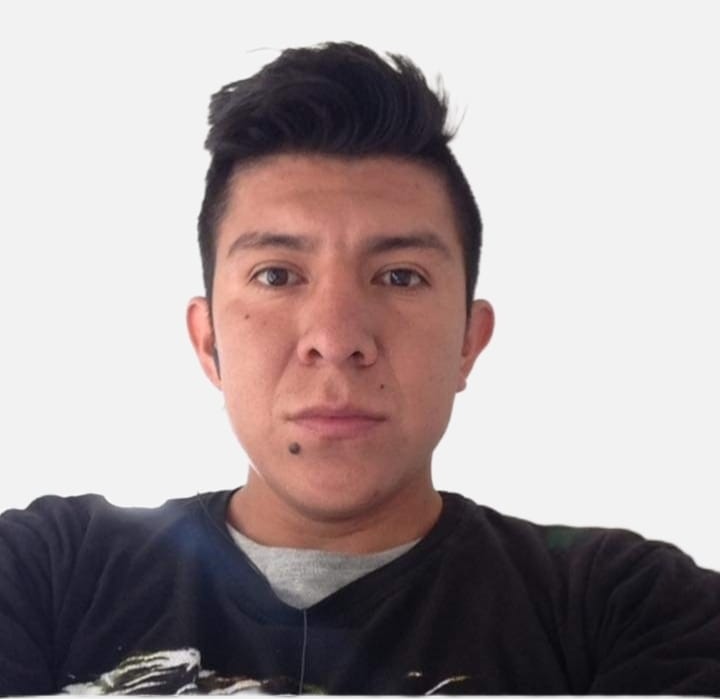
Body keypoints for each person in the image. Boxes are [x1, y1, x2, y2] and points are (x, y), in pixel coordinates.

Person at [0, 41, 718, 696]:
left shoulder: (628, 606)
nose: (336, 338)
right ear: (208, 340)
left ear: (469, 341)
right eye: (277, 275)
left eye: (400, 276)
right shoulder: (44, 572)